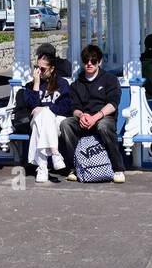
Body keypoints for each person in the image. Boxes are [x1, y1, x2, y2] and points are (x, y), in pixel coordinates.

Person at [59, 44, 126, 184]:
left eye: (93, 61)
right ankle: (74, 167)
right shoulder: (76, 84)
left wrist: (95, 117)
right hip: (84, 119)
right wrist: (81, 115)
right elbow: (74, 107)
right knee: (66, 124)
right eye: (86, 60)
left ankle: (117, 168)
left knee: (103, 126)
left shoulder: (110, 80)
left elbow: (113, 104)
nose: (89, 64)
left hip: (103, 118)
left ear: (99, 62)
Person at [22, 48, 72, 182]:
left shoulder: (62, 84)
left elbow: (66, 107)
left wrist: (46, 107)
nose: (38, 71)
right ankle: (55, 154)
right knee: (43, 118)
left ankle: (42, 168)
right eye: (36, 67)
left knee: (44, 115)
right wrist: (36, 84)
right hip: (37, 121)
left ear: (52, 69)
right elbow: (32, 106)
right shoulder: (30, 85)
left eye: (42, 69)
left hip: (57, 120)